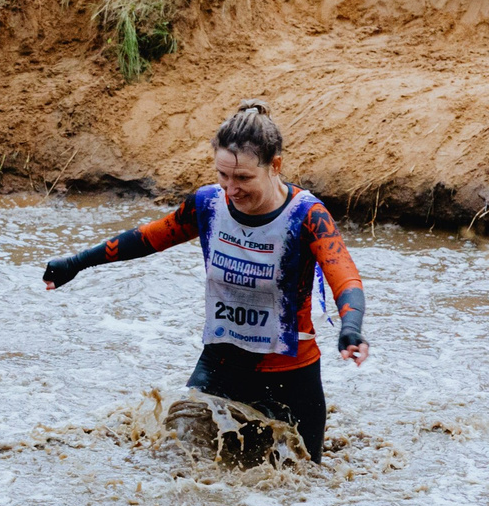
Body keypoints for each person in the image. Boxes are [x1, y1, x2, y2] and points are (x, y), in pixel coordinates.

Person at [43, 99, 369, 464]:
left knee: (304, 482)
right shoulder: (207, 205)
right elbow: (147, 238)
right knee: (178, 463)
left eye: (243, 178)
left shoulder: (307, 215)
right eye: (223, 175)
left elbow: (344, 276)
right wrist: (76, 263)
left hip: (290, 379)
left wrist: (351, 326)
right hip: (219, 368)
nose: (231, 189)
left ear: (275, 166)